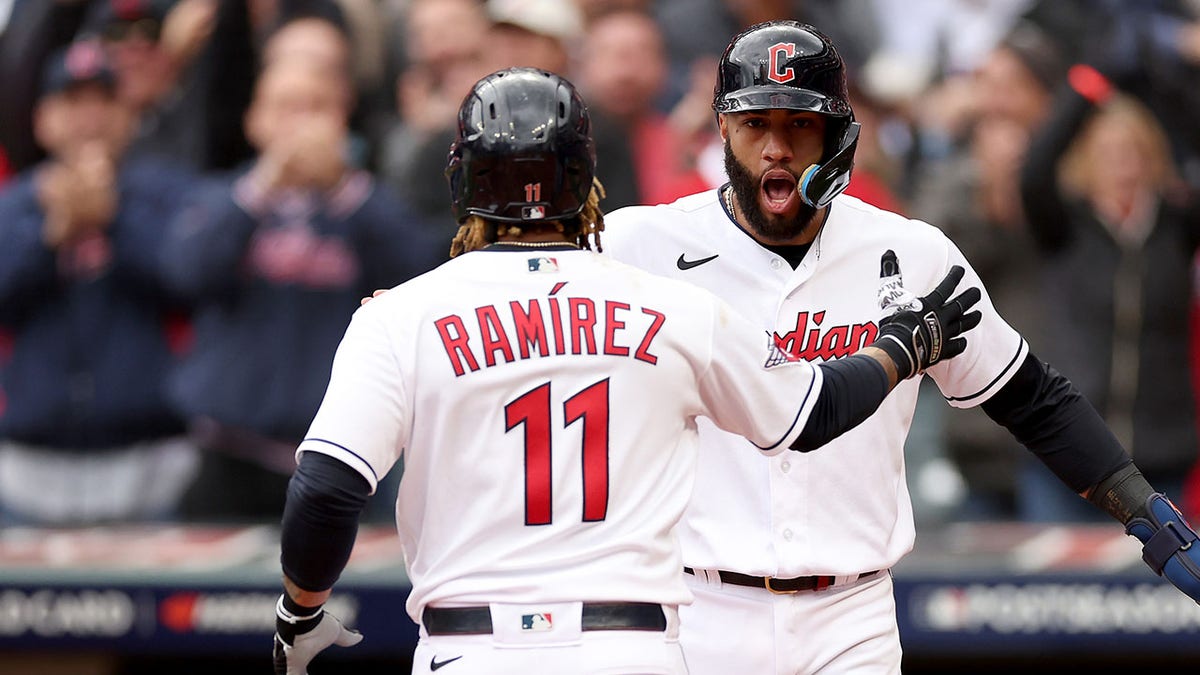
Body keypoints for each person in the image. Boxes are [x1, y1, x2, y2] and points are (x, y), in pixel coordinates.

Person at [271, 67, 982, 675]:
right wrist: (899, 349)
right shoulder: (675, 308)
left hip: (472, 648)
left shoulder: (403, 316)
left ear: (463, 178)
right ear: (585, 178)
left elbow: (327, 488)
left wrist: (298, 613)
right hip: (631, 649)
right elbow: (812, 411)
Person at [598, 20, 1200, 674]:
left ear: (840, 136)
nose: (776, 147)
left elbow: (1031, 395)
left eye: (799, 125)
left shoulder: (911, 253)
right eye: (755, 124)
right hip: (701, 607)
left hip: (850, 616)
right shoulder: (640, 246)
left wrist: (1145, 511)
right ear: (722, 130)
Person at [161, 56, 441, 523]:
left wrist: (341, 189)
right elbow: (186, 274)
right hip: (232, 454)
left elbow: (421, 273)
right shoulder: (219, 197)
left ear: (342, 120)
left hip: (350, 453)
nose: (302, 122)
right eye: (287, 106)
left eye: (317, 107)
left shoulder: (373, 203)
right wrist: (264, 187)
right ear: (255, 120)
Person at [0, 40, 199, 524]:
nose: (89, 117)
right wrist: (50, 238)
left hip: (150, 458)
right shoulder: (12, 205)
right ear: (42, 119)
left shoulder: (167, 196)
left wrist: (112, 221)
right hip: (30, 464)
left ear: (128, 115)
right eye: (72, 101)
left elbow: (188, 283)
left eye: (104, 100)